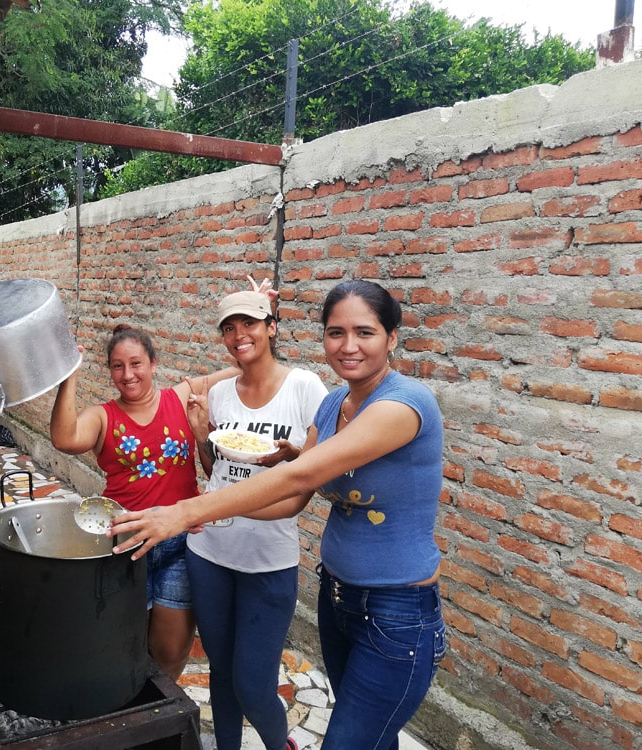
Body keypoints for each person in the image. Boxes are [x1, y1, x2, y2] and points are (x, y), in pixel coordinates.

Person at [111, 279, 447, 750]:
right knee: (363, 734)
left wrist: (183, 512)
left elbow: (297, 483)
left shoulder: (404, 402)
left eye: (365, 332)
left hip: (394, 608)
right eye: (335, 333)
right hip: (336, 595)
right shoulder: (334, 405)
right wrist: (261, 452)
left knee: (323, 724)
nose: (348, 346)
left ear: (392, 337)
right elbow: (287, 489)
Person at [184, 281, 328, 750]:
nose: (238, 334)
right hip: (209, 551)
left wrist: (292, 457)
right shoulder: (222, 391)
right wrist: (201, 431)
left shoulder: (305, 387)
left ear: (271, 326)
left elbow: (313, 475)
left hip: (269, 560)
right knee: (221, 674)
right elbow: (217, 471)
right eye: (229, 327)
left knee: (253, 683)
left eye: (249, 322)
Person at [49, 323, 237, 680]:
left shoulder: (180, 397)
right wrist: (68, 376)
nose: (128, 374)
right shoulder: (104, 416)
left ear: (153, 364)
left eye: (136, 363)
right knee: (121, 641)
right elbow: (64, 437)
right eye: (118, 366)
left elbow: (243, 368)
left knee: (171, 649)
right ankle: (124, 706)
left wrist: (261, 318)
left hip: (181, 543)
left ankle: (158, 710)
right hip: (124, 544)